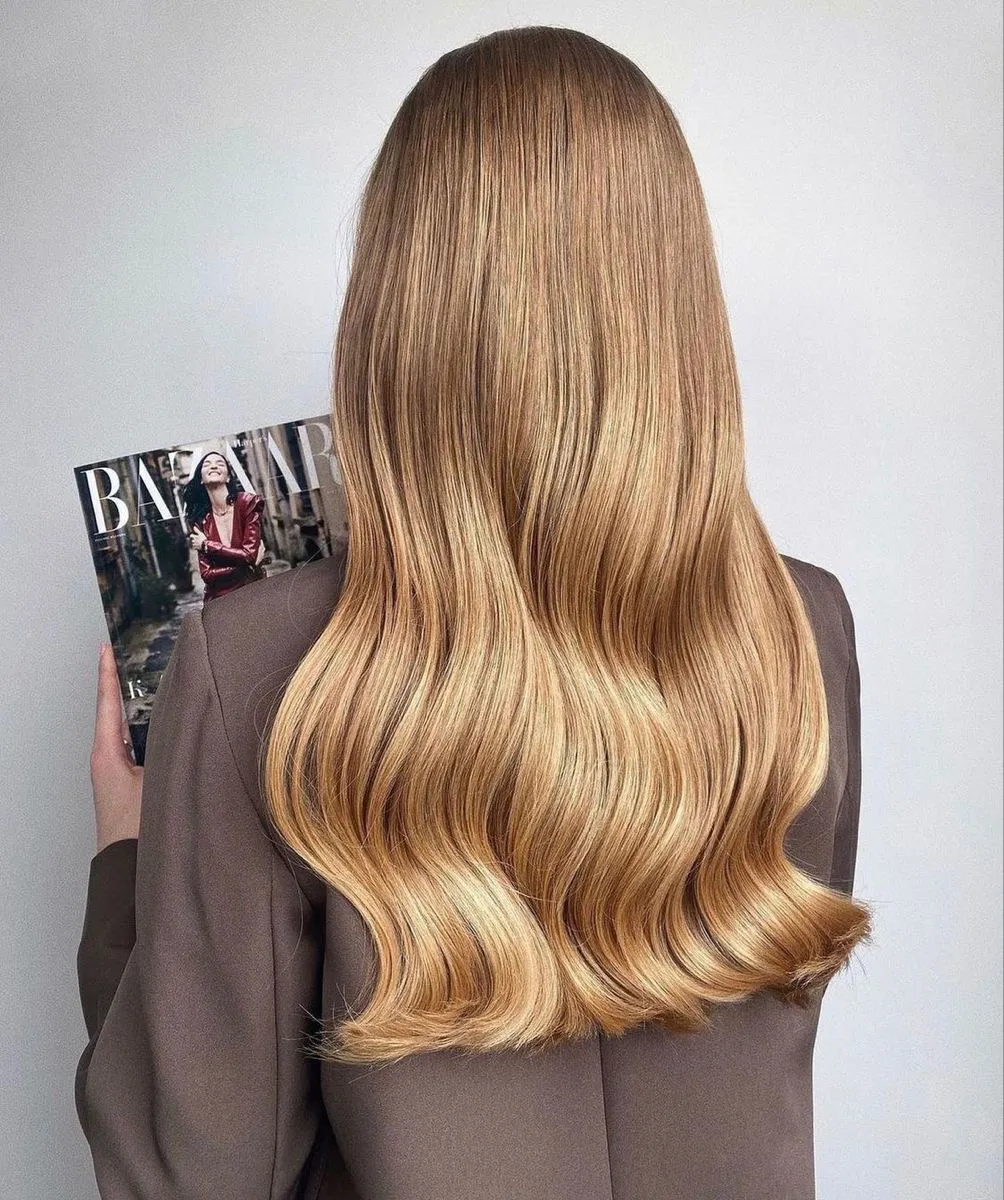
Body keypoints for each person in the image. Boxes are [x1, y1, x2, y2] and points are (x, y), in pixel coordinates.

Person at [77, 25, 872, 1200]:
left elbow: (191, 1175)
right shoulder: (802, 628)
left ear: (399, 302)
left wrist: (126, 859)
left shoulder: (258, 670)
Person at [181, 450, 267, 603]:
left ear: (228, 477)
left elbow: (249, 555)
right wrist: (246, 566)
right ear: (201, 479)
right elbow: (207, 574)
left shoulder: (248, 503)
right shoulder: (200, 520)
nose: (213, 466)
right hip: (220, 599)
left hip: (254, 589)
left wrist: (206, 545)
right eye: (207, 464)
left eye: (220, 463)